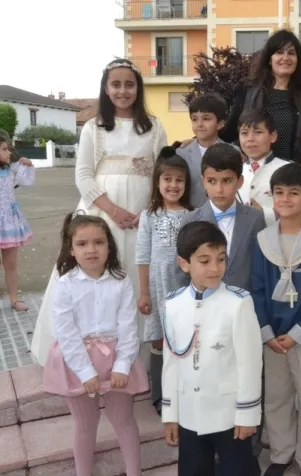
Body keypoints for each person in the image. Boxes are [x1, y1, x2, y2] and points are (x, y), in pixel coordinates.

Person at [31, 58, 168, 366]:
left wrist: (147, 210)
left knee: (139, 277)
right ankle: (86, 358)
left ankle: (136, 361)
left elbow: (162, 172)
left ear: (138, 88)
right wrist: (114, 211)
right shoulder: (94, 127)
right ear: (106, 89)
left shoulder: (154, 126)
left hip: (142, 217)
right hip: (102, 214)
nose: (123, 91)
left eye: (129, 84)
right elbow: (83, 175)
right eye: (116, 84)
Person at [42, 213, 150, 476]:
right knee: (85, 424)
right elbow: (66, 331)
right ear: (71, 249)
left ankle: (134, 472)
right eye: (82, 244)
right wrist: (85, 371)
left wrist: (122, 365)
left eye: (98, 242)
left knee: (123, 419)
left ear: (109, 246)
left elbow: (128, 326)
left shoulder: (121, 280)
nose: (91, 250)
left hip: (116, 358)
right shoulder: (65, 284)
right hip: (77, 360)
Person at [162, 221, 262, 476]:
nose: (215, 268)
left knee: (238, 470)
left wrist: (247, 414)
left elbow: (250, 364)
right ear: (184, 263)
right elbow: (171, 364)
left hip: (228, 414)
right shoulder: (173, 305)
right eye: (204, 261)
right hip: (189, 413)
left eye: (220, 259)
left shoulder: (238, 303)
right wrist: (170, 414)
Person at [251, 163, 301, 476]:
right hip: (273, 338)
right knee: (276, 398)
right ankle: (281, 454)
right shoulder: (263, 240)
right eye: (279, 193)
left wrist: (299, 333)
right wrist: (266, 332)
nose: (285, 199)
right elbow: (257, 289)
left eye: (294, 193)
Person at [136, 146, 193, 414]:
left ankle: (184, 392)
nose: (173, 185)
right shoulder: (149, 216)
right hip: (158, 287)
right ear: (157, 183)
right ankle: (160, 395)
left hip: (183, 286)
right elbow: (142, 255)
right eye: (167, 179)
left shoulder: (192, 214)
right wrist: (144, 293)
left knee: (184, 339)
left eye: (179, 180)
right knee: (159, 340)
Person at [175, 142, 266, 291]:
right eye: (211, 181)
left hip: (246, 300)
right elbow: (181, 272)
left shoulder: (255, 218)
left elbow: (261, 268)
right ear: (203, 181)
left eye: (226, 181)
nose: (219, 189)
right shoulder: (190, 220)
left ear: (240, 182)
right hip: (204, 301)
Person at [221, 29, 301, 163]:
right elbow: (230, 131)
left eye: (291, 53)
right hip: (253, 168)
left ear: (297, 60)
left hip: (289, 171)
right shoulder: (246, 89)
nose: (286, 58)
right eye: (279, 52)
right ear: (269, 60)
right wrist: (198, 140)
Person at [236, 109, 297, 226]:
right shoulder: (234, 171)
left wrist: (265, 213)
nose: (250, 138)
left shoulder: (289, 169)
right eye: (244, 133)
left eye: (258, 132)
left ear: (273, 136)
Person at [176, 93, 229, 208]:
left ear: (220, 123)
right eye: (194, 119)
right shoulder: (181, 153)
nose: (199, 124)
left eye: (206, 119)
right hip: (191, 213)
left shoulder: (232, 152)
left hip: (224, 213)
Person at [0, 135, 35, 311]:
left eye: (8, 148)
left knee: (11, 263)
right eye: (4, 149)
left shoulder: (11, 169)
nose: (9, 153)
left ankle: (14, 299)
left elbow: (26, 180)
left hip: (9, 223)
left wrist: (26, 164)